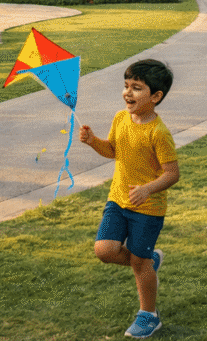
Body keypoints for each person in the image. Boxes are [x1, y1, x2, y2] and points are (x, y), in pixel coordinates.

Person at [79, 60, 180, 339]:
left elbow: (172, 174)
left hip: (147, 208)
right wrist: (93, 141)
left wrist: (148, 188)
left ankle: (149, 315)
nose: (128, 93)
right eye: (126, 86)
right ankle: (147, 262)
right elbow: (113, 150)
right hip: (118, 199)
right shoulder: (120, 118)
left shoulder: (159, 133)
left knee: (138, 263)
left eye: (137, 88)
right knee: (104, 250)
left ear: (156, 97)